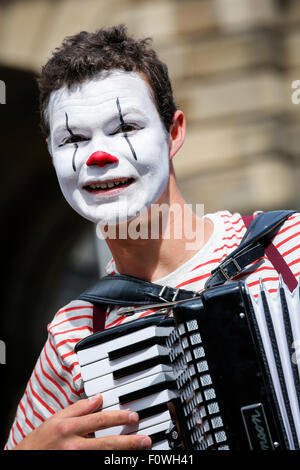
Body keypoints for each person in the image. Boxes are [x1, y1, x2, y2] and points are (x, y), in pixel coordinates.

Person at [5, 25, 300, 450]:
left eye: (125, 127)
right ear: (52, 154)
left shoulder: (287, 247)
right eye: (73, 138)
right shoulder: (75, 334)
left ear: (174, 132)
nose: (99, 156)